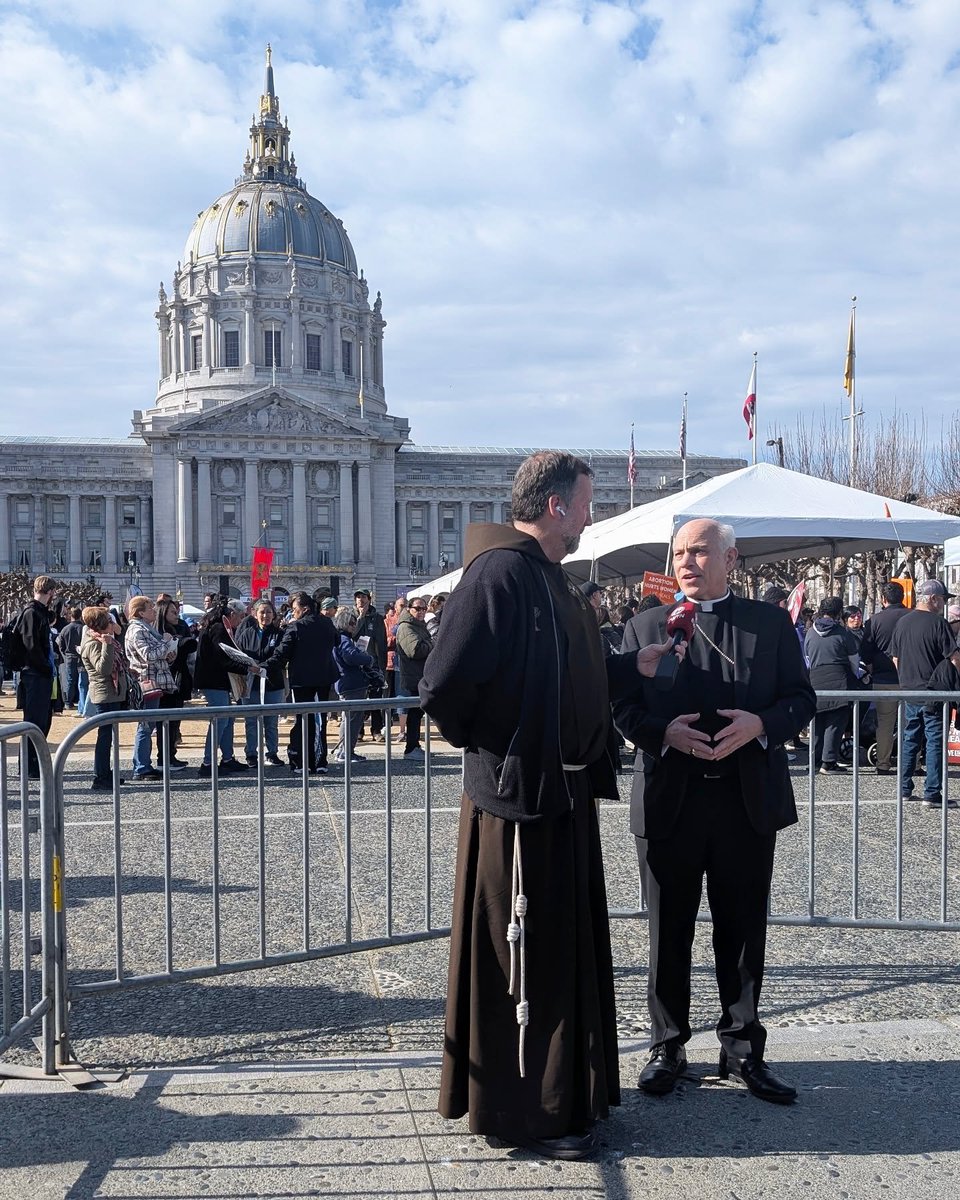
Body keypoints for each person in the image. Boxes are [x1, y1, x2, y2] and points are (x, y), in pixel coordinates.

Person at [420, 450, 677, 1161]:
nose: (593, 516)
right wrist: (500, 756)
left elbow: (567, 671)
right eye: (588, 503)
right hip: (522, 802)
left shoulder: (549, 579)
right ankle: (526, 1114)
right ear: (557, 505)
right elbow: (443, 686)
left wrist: (631, 666)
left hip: (561, 795)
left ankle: (564, 1096)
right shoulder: (499, 572)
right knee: (525, 956)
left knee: (558, 949)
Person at [613, 518, 816, 1106]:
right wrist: (660, 734)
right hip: (670, 801)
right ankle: (667, 1046)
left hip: (745, 801)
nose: (687, 562)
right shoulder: (645, 625)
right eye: (679, 553)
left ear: (732, 557)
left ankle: (743, 1047)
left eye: (700, 552)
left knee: (743, 931)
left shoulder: (770, 623)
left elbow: (801, 699)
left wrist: (761, 726)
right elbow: (622, 707)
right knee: (666, 932)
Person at [891, 579, 960, 809]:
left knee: (910, 739)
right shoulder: (938, 623)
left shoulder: (902, 623)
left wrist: (905, 679)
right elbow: (954, 657)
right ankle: (932, 793)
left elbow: (895, 658)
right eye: (943, 599)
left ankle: (903, 789)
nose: (944, 603)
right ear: (932, 599)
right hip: (935, 691)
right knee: (934, 741)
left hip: (909, 690)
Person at [263, 591, 338, 774]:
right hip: (323, 677)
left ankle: (303, 761)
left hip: (302, 680)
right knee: (320, 720)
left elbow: (281, 655)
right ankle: (320, 761)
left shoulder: (296, 627)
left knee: (304, 719)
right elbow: (336, 641)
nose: (293, 613)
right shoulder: (327, 623)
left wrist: (262, 666)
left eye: (294, 609)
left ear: (304, 609)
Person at [193, 598, 257, 777]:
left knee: (227, 720)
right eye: (241, 616)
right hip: (213, 679)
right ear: (232, 614)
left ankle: (227, 758)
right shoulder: (219, 629)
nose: (241, 620)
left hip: (217, 679)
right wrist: (246, 667)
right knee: (220, 720)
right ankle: (207, 762)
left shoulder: (218, 627)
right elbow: (223, 658)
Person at [124, 595, 178, 782]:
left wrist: (167, 653)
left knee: (148, 725)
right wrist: (165, 643)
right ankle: (141, 767)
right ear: (140, 612)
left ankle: (143, 764)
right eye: (150, 608)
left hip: (154, 679)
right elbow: (147, 655)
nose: (154, 611)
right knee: (146, 726)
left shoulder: (146, 629)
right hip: (147, 681)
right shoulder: (137, 630)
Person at [804, 596, 861, 775]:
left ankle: (814, 759)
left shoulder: (810, 632)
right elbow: (854, 660)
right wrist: (855, 675)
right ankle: (828, 762)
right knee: (836, 720)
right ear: (838, 613)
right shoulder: (842, 632)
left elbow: (806, 657)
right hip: (838, 677)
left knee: (818, 720)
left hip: (815, 678)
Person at [861, 581, 910, 776]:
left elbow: (865, 652)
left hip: (883, 678)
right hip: (910, 678)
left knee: (885, 723)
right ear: (902, 597)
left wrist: (873, 669)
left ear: (883, 599)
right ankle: (911, 763)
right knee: (910, 722)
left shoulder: (874, 621)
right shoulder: (912, 616)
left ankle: (882, 763)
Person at [79, 606, 129, 791]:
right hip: (104, 694)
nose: (112, 624)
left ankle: (106, 773)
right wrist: (107, 645)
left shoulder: (103, 639)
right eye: (109, 621)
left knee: (108, 736)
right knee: (104, 736)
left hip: (112, 693)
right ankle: (101, 775)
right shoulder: (93, 643)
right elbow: (104, 669)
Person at [16, 575, 59, 778]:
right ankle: (29, 765)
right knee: (34, 721)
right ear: (50, 592)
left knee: (43, 720)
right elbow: (31, 645)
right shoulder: (32, 612)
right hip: (35, 674)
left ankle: (35, 764)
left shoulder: (38, 612)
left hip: (40, 673)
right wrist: (44, 667)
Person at [235, 598, 286, 767]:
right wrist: (250, 667)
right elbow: (239, 655)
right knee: (251, 722)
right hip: (250, 684)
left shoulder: (279, 634)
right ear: (255, 614)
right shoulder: (246, 633)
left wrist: (262, 666)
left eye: (269, 612)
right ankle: (251, 754)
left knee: (271, 722)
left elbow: (279, 657)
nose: (265, 615)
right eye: (262, 612)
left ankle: (272, 753)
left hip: (273, 683)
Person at [154, 598, 195, 770]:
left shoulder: (182, 626)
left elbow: (190, 645)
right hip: (165, 679)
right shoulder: (157, 632)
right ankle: (163, 757)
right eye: (172, 612)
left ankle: (171, 754)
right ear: (164, 613)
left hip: (180, 677)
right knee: (165, 721)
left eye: (176, 611)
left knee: (176, 720)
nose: (176, 614)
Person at [330, 608, 374, 764]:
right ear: (343, 624)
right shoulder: (344, 639)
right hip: (351, 683)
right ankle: (346, 752)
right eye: (351, 623)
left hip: (346, 682)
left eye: (355, 623)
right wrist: (367, 659)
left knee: (348, 719)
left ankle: (345, 750)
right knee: (352, 720)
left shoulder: (340, 639)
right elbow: (350, 656)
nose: (353, 626)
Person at [395, 595, 433, 760]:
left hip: (420, 675)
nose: (421, 612)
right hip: (413, 677)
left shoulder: (418, 626)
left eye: (424, 608)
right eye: (417, 608)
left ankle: (414, 745)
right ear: (409, 609)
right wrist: (433, 644)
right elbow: (415, 650)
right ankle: (411, 748)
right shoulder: (406, 627)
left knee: (417, 713)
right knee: (414, 714)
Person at [353, 589, 388, 743]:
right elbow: (352, 635)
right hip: (357, 664)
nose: (361, 600)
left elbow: (382, 642)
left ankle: (376, 730)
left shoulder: (377, 618)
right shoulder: (352, 616)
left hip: (373, 663)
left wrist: (383, 666)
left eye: (363, 597)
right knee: (359, 699)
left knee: (375, 699)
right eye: (358, 597)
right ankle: (359, 731)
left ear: (369, 599)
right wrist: (360, 617)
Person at [384, 597, 407, 745]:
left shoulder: (410, 622)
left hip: (402, 664)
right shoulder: (387, 621)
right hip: (388, 662)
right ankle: (386, 725)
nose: (404, 607)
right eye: (401, 605)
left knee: (402, 695)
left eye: (406, 605)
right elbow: (385, 639)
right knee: (387, 694)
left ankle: (402, 730)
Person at [56, 607, 84, 709]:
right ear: (80, 616)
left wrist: (65, 654)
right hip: (82, 657)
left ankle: (68, 702)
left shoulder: (65, 629)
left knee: (70, 680)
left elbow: (60, 644)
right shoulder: (83, 628)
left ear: (71, 616)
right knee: (83, 680)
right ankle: (81, 700)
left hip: (69, 657)